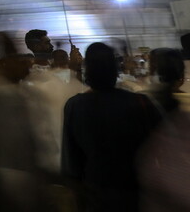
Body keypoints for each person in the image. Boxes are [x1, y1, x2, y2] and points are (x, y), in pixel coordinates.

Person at [62, 42, 161, 212]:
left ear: (88, 71)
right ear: (115, 69)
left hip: (96, 190)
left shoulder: (75, 105)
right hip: (136, 188)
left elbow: (72, 160)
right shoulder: (140, 102)